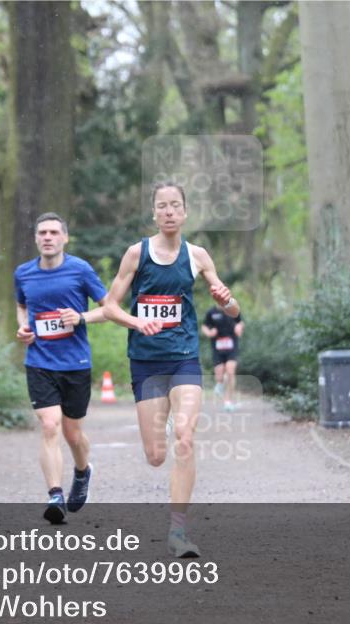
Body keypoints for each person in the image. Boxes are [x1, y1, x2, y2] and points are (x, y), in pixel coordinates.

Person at [103, 182, 240, 557]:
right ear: (153, 213)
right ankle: (161, 417)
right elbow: (110, 305)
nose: (168, 211)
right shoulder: (136, 254)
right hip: (146, 361)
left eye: (175, 205)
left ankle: (178, 532)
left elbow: (232, 310)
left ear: (184, 212)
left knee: (185, 436)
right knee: (155, 455)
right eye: (161, 206)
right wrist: (135, 322)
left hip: (184, 357)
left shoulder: (197, 255)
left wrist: (226, 301)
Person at [14, 212, 108, 525]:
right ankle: (55, 494)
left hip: (76, 363)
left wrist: (81, 317)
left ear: (64, 238)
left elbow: (109, 308)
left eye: (54, 232)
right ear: (36, 238)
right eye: (42, 233)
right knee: (50, 425)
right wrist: (24, 327)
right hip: (39, 361)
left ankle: (83, 472)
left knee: (73, 432)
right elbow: (22, 305)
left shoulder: (80, 270)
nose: (48, 237)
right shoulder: (23, 273)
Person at [201, 305, 244, 410]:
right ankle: (220, 383)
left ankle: (228, 401)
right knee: (219, 376)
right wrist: (209, 333)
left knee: (230, 370)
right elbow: (204, 326)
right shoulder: (211, 312)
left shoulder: (232, 309)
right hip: (217, 347)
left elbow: (240, 322)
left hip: (231, 345)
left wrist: (239, 327)